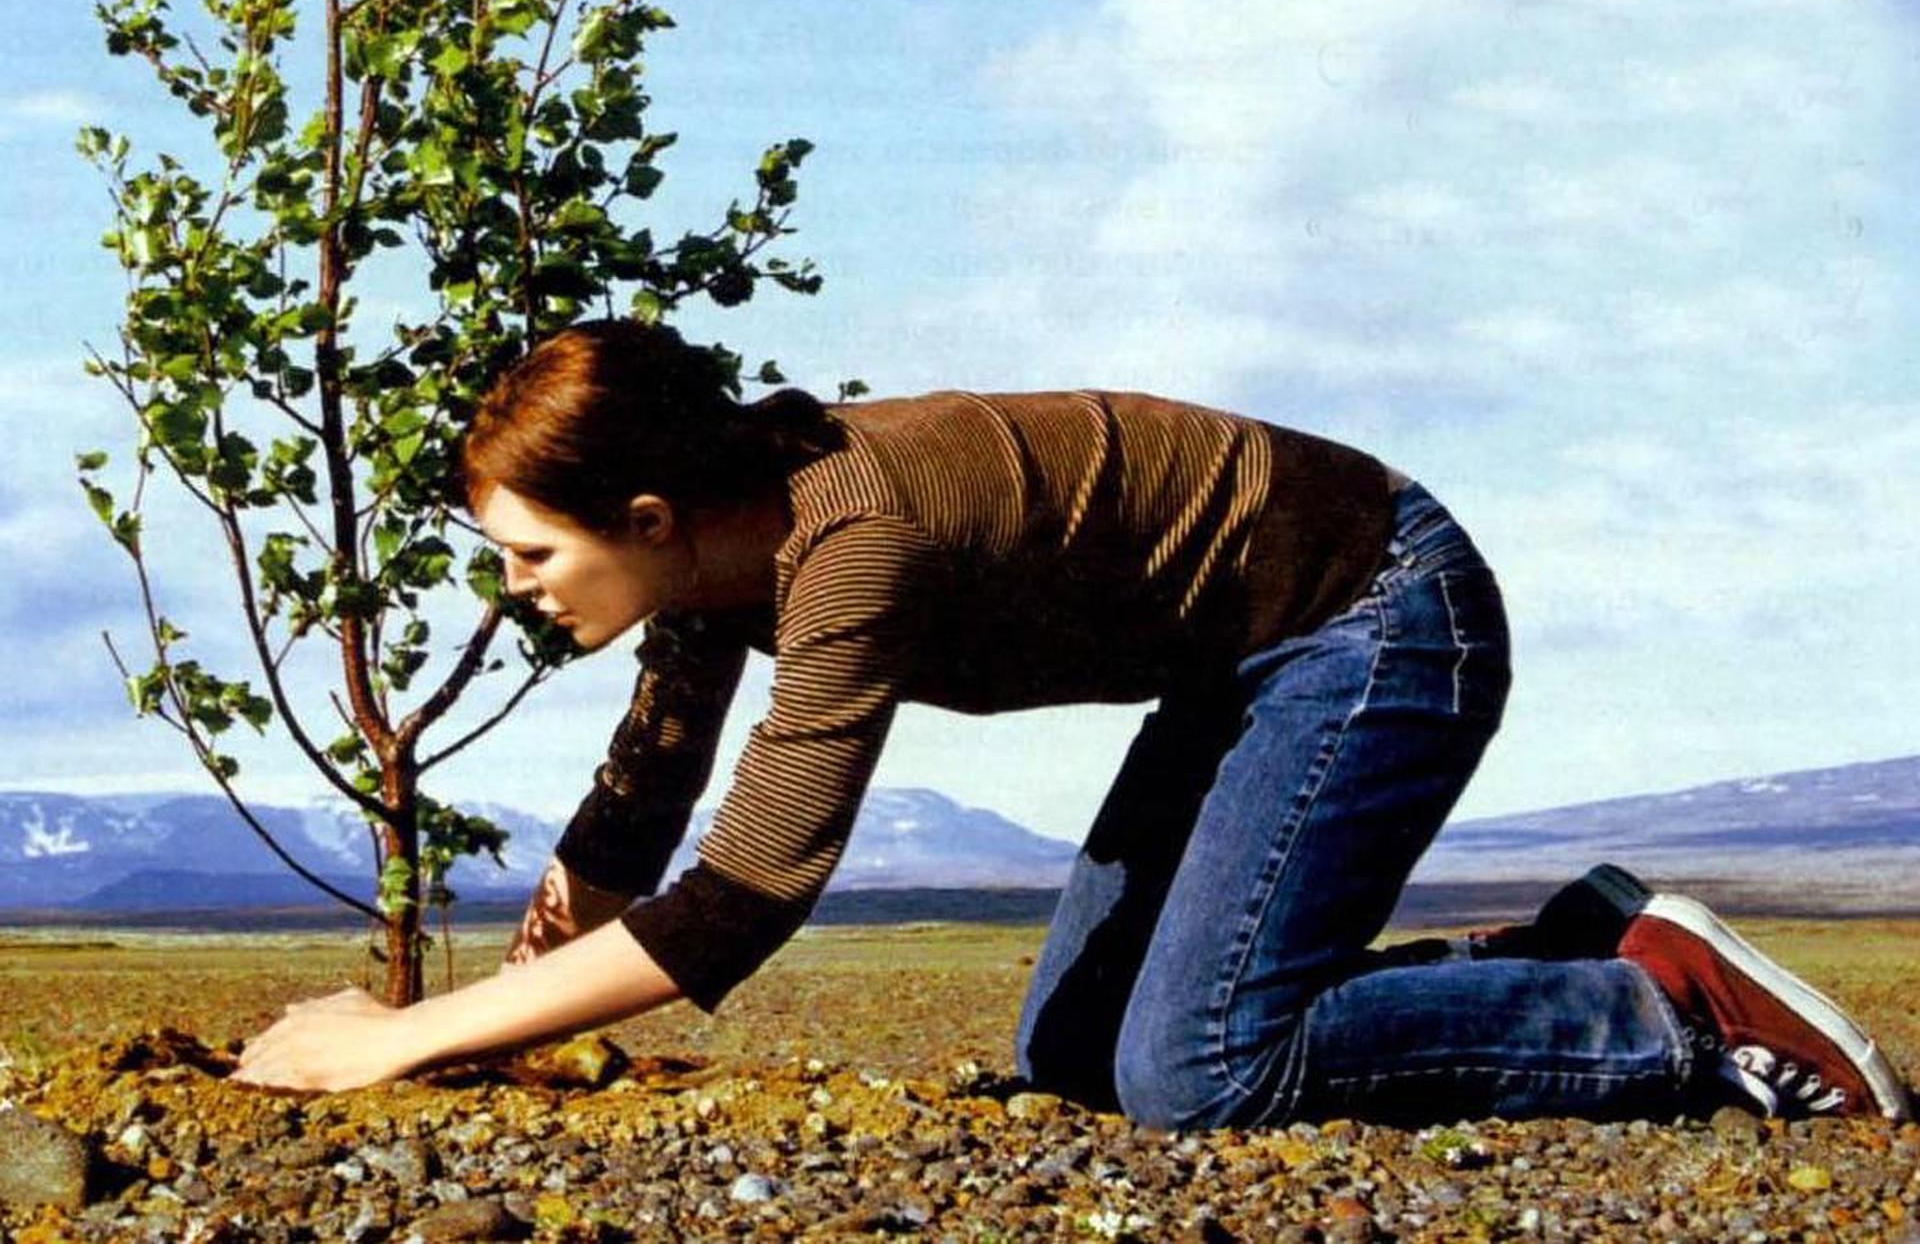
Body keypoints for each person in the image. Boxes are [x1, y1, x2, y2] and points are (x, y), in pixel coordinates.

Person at [235, 321, 1913, 1125]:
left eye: (534, 554)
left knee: (1201, 1073)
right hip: (1244, 660)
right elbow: (646, 800)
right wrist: (514, 980)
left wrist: (399, 1041)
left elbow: (747, 898)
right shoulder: (718, 557)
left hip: (1372, 612)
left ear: (655, 512)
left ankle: (1670, 1018)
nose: (514, 588)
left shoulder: (849, 544)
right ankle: (1556, 948)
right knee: (1069, 1059)